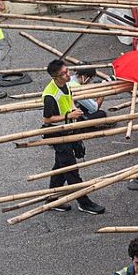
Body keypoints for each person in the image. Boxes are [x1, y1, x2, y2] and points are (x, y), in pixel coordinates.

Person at [42, 59, 106, 215]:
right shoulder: (50, 95)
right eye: (63, 74)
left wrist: (74, 112)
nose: (67, 75)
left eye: (67, 71)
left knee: (60, 166)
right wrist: (68, 115)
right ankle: (84, 202)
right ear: (55, 77)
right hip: (58, 133)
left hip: (70, 129)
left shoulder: (66, 85)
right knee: (71, 170)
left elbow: (69, 99)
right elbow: (47, 119)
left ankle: (52, 199)